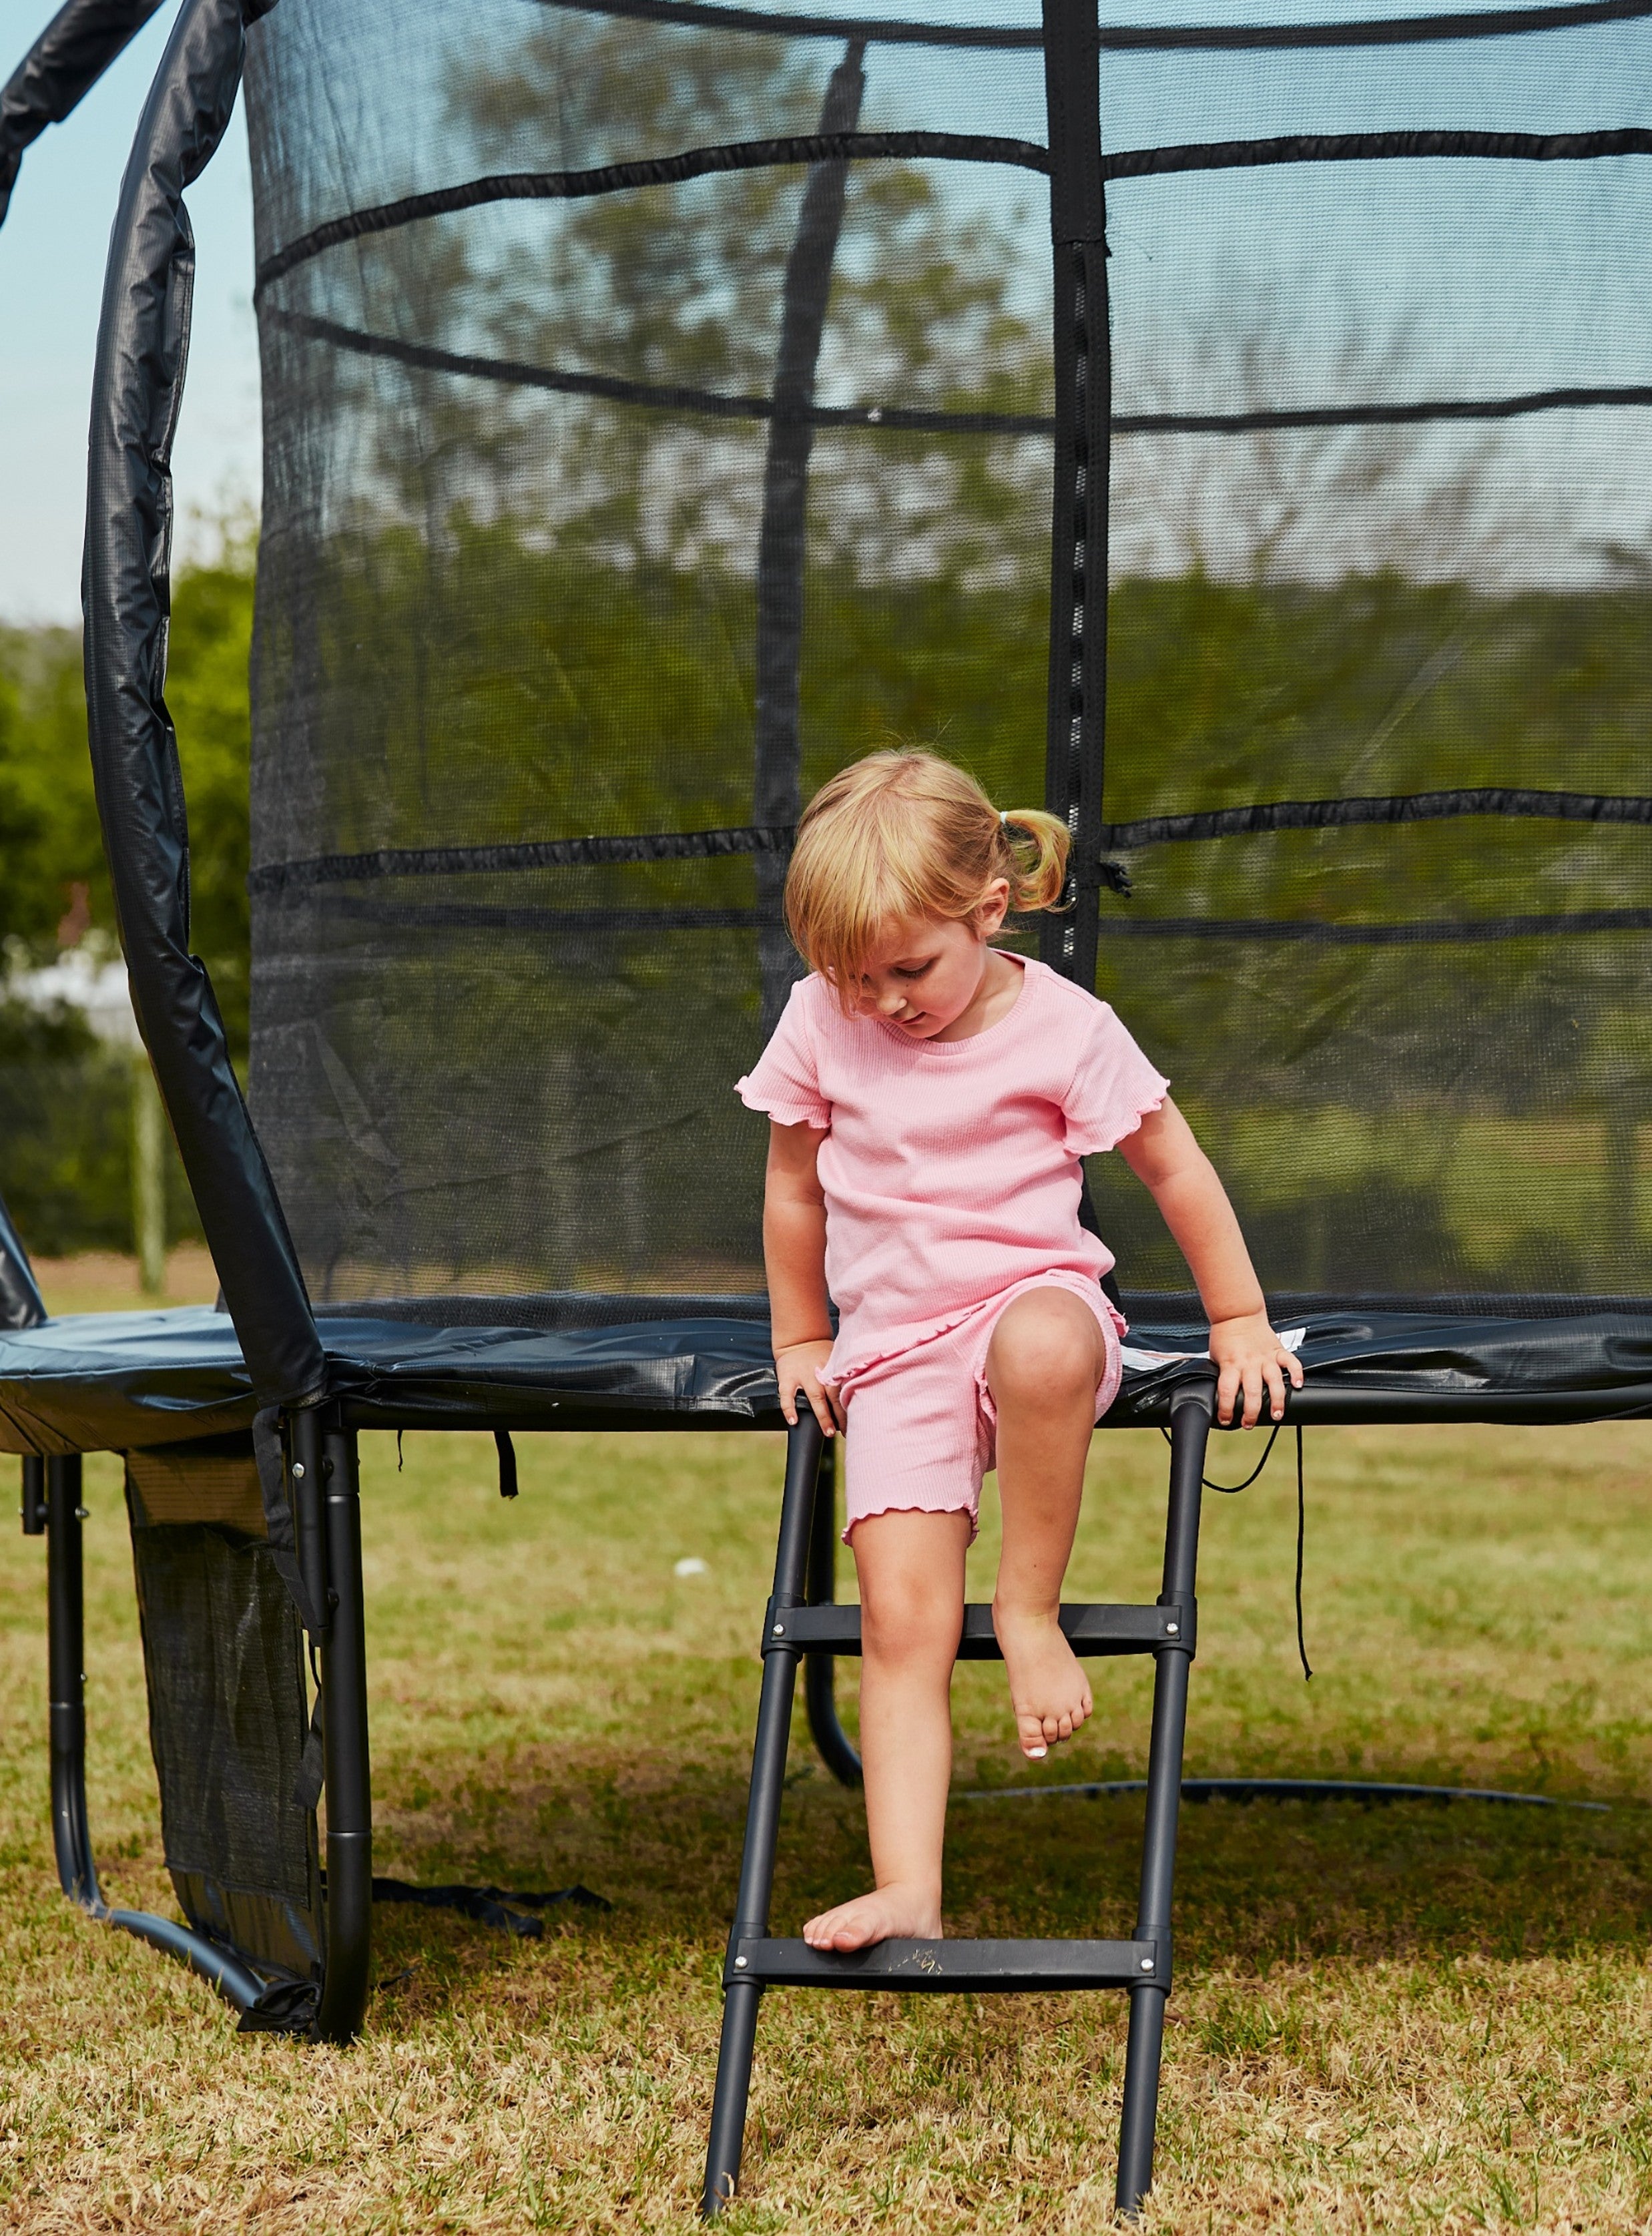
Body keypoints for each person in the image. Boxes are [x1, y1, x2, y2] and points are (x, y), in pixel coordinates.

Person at [736, 749, 1302, 1953]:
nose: (882, 999)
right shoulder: (819, 1019)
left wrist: (1239, 1319)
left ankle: (1031, 1607)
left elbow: (1174, 1166)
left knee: (1044, 1340)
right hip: (893, 1351)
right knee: (898, 1616)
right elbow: (794, 1190)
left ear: (988, 912)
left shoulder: (1063, 1024)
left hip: (1034, 1306)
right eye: (850, 974)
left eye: (908, 968)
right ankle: (909, 1884)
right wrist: (801, 1335)